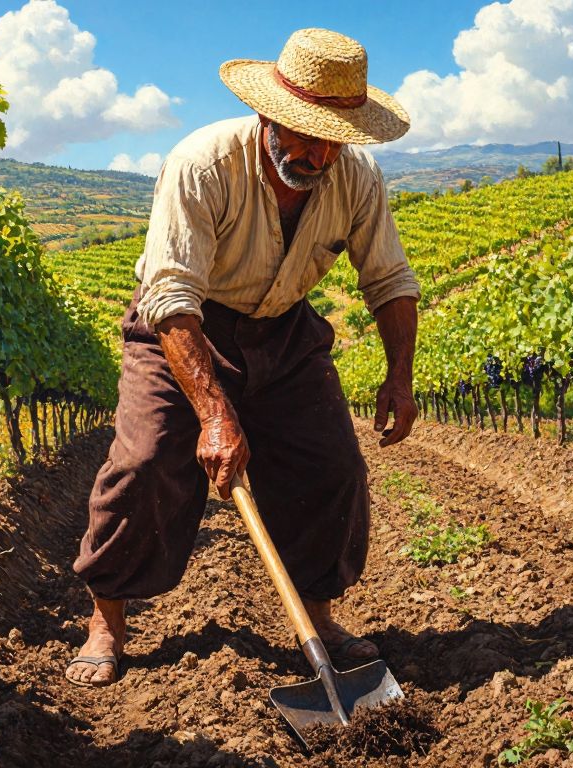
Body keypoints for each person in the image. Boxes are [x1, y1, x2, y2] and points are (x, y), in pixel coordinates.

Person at [66, 27, 420, 687]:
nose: (317, 154)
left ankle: (318, 616)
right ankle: (107, 619)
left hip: (283, 331)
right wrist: (213, 413)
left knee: (333, 468)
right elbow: (170, 297)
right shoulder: (203, 164)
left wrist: (400, 378)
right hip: (181, 328)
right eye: (304, 134)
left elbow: (391, 282)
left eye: (332, 138)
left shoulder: (356, 178)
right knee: (144, 464)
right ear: (269, 116)